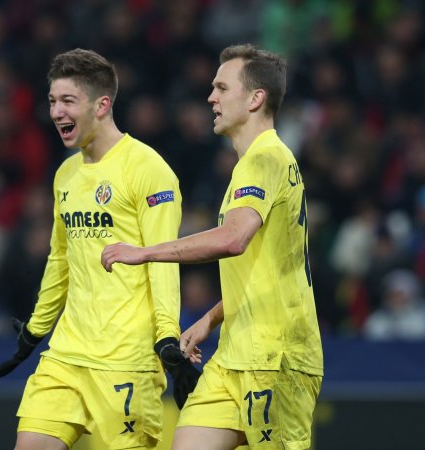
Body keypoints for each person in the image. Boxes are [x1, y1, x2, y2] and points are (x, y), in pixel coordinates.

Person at [101, 44, 323, 450]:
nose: (211, 98)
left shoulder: (266, 159)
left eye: (222, 88)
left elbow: (232, 239)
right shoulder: (253, 164)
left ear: (256, 98)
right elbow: (267, 266)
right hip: (233, 355)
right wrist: (211, 319)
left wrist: (144, 251)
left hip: (276, 358)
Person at [0, 48, 198, 450]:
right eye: (52, 100)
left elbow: (164, 258)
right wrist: (37, 328)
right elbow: (60, 260)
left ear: (102, 105)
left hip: (127, 359)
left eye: (68, 101)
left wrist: (167, 338)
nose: (56, 112)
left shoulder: (148, 169)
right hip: (67, 356)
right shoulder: (66, 173)